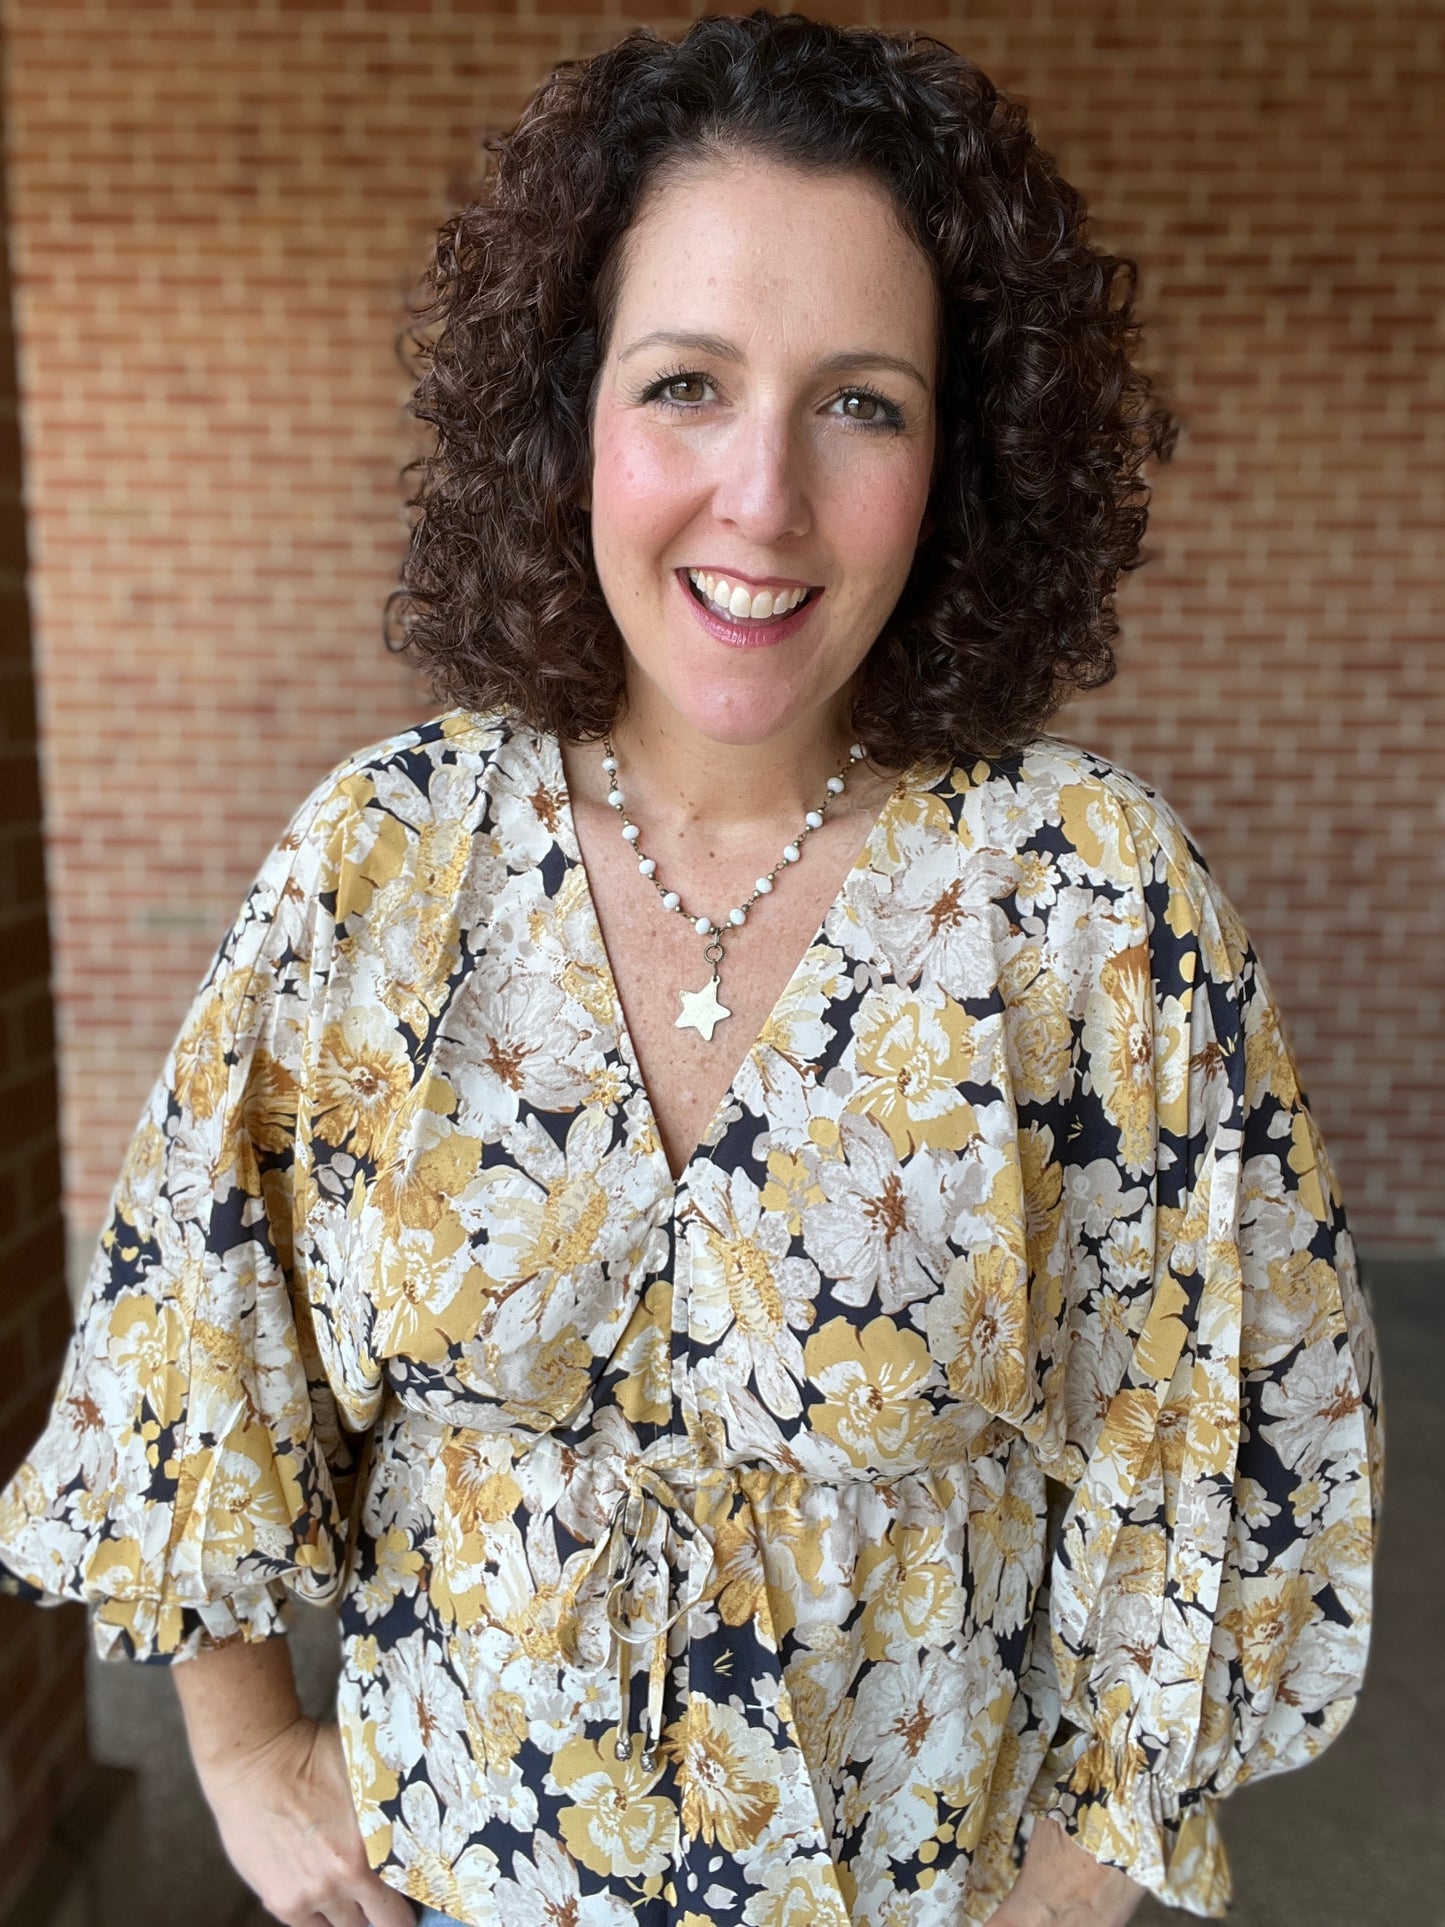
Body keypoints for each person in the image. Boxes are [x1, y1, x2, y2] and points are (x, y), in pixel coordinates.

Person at [0, 12, 1381, 1927]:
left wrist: (1078, 1875)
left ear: (962, 456)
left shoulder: (1086, 904)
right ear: (568, 410)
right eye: (684, 385)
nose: (762, 498)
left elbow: (1234, 1430)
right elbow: (184, 1332)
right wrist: (239, 1750)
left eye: (861, 403)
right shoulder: (386, 862)